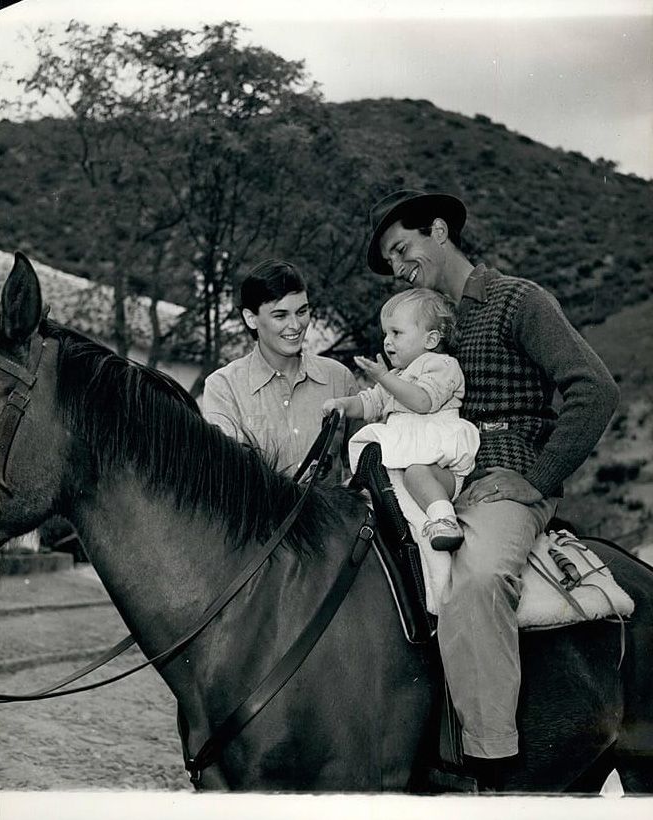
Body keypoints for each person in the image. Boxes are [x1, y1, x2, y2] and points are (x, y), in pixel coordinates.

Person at [365, 189, 620, 788]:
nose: (399, 267)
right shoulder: (417, 320)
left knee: (476, 579)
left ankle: (490, 759)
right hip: (429, 471)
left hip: (501, 474)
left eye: (403, 248)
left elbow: (595, 389)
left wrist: (536, 479)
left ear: (439, 229)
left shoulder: (516, 300)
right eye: (390, 261)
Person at [323, 288, 479, 551]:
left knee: (418, 473)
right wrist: (342, 405)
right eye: (386, 333)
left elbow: (422, 401)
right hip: (405, 458)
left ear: (430, 340)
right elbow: (370, 403)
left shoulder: (441, 365)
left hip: (436, 464)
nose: (387, 341)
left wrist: (385, 378)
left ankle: (444, 519)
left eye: (396, 333)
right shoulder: (398, 375)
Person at [203, 259, 359, 483]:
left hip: (332, 518)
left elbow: (364, 464)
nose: (295, 325)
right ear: (251, 318)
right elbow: (226, 478)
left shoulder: (339, 378)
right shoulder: (223, 388)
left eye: (302, 311)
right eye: (280, 315)